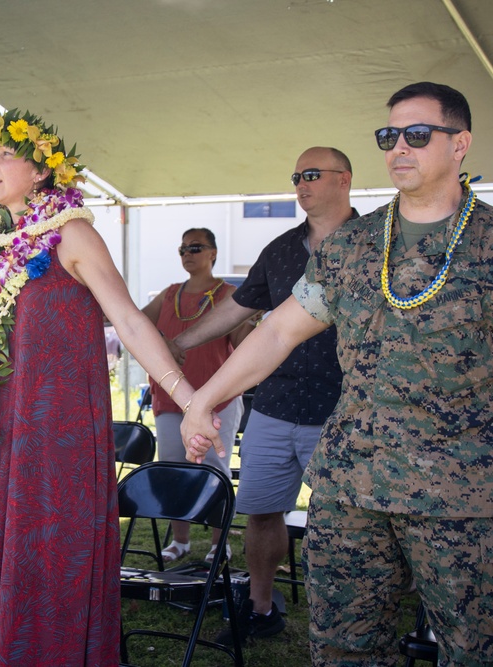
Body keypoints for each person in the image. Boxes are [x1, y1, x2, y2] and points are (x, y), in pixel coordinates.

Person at [182, 82, 493, 665]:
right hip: (350, 495)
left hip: (461, 504)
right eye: (389, 136)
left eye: (417, 134)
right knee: (345, 652)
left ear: (460, 144)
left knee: (478, 655)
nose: (399, 148)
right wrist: (204, 399)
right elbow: (278, 331)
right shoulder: (352, 247)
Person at [0, 109, 192, 666]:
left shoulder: (73, 234)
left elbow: (128, 320)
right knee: (1, 555)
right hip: (5, 433)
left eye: (6, 153)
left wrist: (189, 396)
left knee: (52, 558)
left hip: (61, 435)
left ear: (41, 173)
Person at [169, 146, 357, 639]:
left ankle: (347, 620)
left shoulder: (376, 242)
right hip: (273, 406)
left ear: (345, 179)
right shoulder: (279, 250)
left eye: (312, 174)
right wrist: (179, 343)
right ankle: (260, 606)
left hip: (346, 410)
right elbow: (238, 311)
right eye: (297, 175)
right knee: (261, 508)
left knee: (350, 521)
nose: (301, 183)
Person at [141, 227, 247, 564]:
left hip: (218, 398)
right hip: (170, 398)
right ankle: (181, 540)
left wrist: (252, 322)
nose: (188, 253)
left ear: (213, 253)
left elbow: (246, 345)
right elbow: (137, 325)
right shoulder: (170, 293)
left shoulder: (231, 293)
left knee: (214, 468)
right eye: (183, 248)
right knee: (174, 467)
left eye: (196, 247)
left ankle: (219, 542)